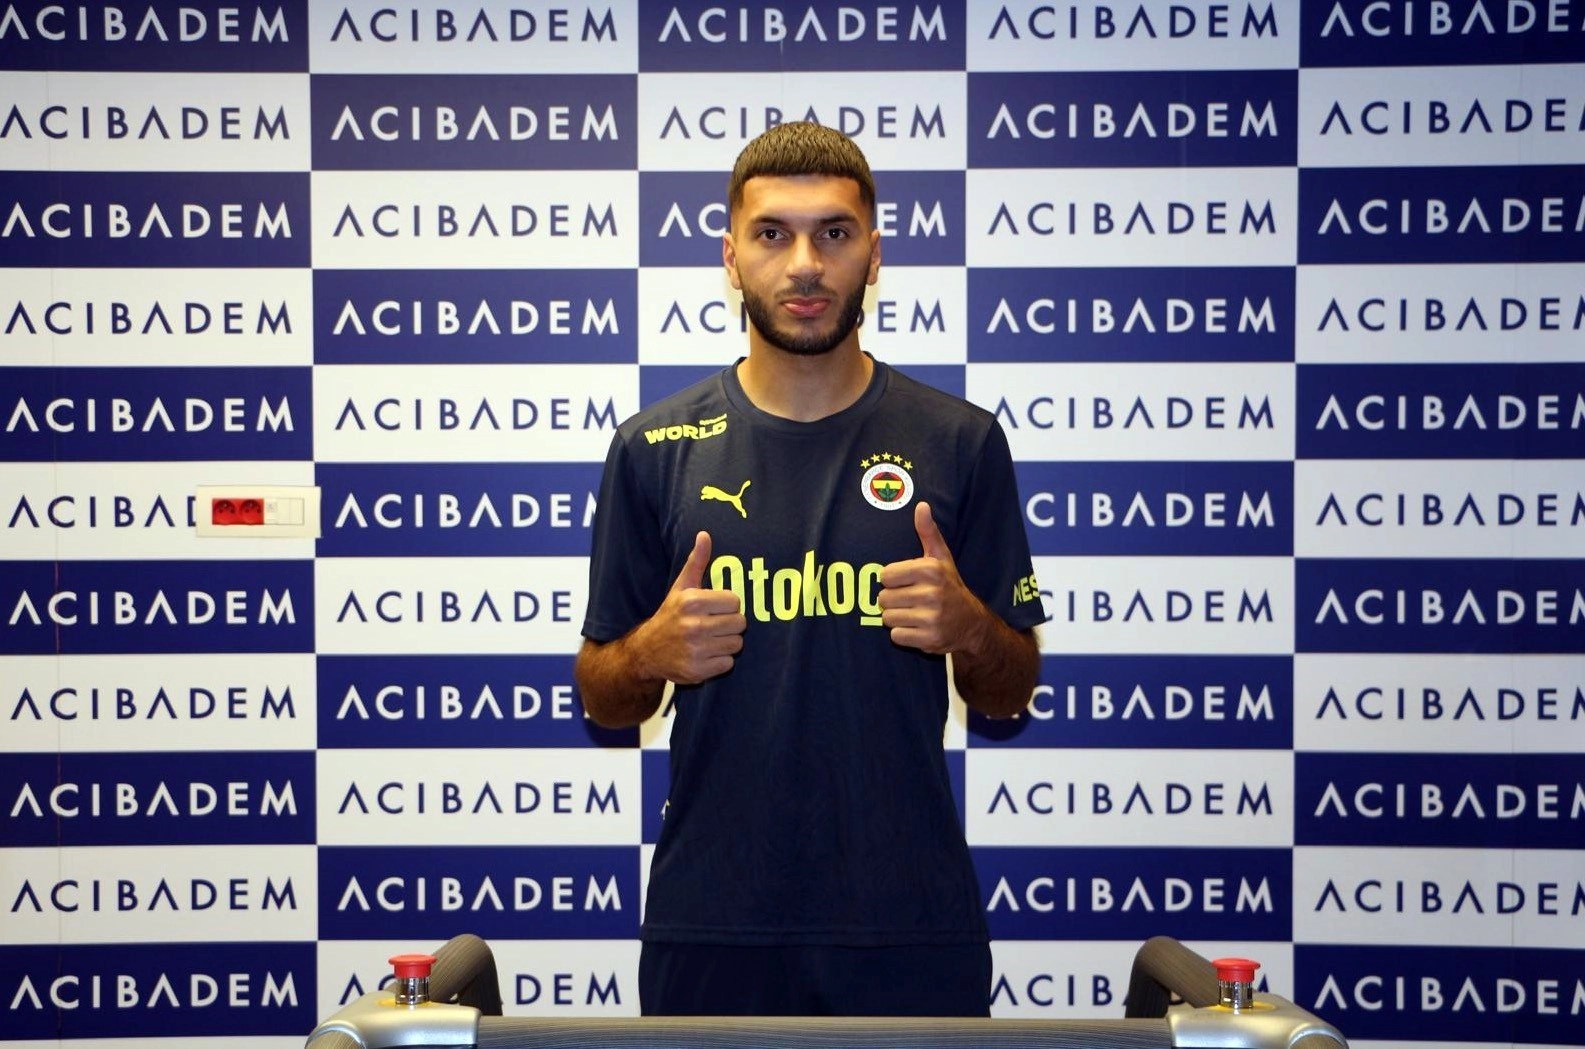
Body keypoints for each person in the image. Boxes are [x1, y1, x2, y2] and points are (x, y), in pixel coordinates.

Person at [574, 122, 1047, 1017]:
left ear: (874, 253)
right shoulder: (652, 449)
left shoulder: (960, 441)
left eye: (833, 232)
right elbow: (603, 697)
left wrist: (970, 629)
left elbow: (1010, 690)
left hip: (909, 923)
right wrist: (647, 653)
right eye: (771, 234)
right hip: (712, 923)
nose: (804, 264)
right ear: (730, 256)